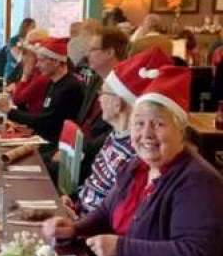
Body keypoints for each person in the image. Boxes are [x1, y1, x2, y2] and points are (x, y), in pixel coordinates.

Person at [42, 66, 223, 256]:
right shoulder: (137, 167)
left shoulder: (197, 182)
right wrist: (74, 228)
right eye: (139, 123)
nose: (146, 134)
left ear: (181, 129)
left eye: (159, 124)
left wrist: (121, 249)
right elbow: (106, 212)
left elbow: (194, 254)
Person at [64, 47, 171, 215]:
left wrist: (78, 220)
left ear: (118, 103)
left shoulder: (137, 150)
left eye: (103, 92)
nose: (98, 98)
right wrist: (72, 199)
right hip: (78, 213)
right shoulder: (114, 135)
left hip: (92, 230)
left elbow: (118, 212)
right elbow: (95, 183)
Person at [0, 37, 84, 149]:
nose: (37, 65)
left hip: (54, 147)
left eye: (42, 60)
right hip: (42, 139)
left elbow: (45, 122)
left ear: (56, 62)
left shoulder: (70, 87)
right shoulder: (53, 83)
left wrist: (9, 111)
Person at [73, 26, 130, 176]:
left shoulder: (126, 88)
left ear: (110, 52)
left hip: (100, 161)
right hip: (78, 150)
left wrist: (78, 149)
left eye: (92, 49)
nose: (87, 54)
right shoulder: (95, 80)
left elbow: (116, 131)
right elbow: (81, 120)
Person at [7, 29, 50, 113]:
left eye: (28, 55)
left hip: (33, 122)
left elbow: (17, 100)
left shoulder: (41, 77)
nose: (24, 58)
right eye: (24, 54)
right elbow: (10, 79)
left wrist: (25, 75)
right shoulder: (35, 73)